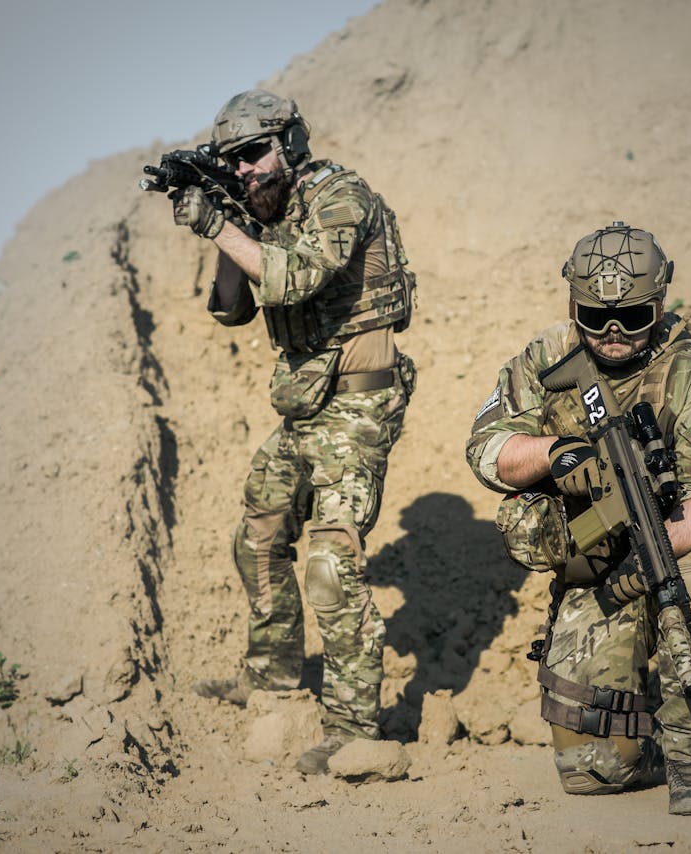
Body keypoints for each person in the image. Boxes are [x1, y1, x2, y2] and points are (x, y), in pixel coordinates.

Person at [465, 223, 691, 815]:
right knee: (591, 772)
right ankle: (638, 749)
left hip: (680, 542)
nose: (614, 332)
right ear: (573, 305)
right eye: (596, 318)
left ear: (661, 303)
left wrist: (660, 549)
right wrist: (557, 454)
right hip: (593, 563)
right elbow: (487, 448)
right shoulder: (549, 357)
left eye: (633, 316)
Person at [171, 89, 416, 775]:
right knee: (257, 539)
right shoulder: (260, 214)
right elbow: (231, 311)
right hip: (306, 404)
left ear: (291, 144)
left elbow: (293, 279)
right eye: (233, 162)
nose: (246, 169)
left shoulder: (342, 199)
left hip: (359, 399)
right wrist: (226, 223)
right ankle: (273, 679)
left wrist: (221, 224)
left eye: (255, 153)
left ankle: (351, 726)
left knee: (330, 561)